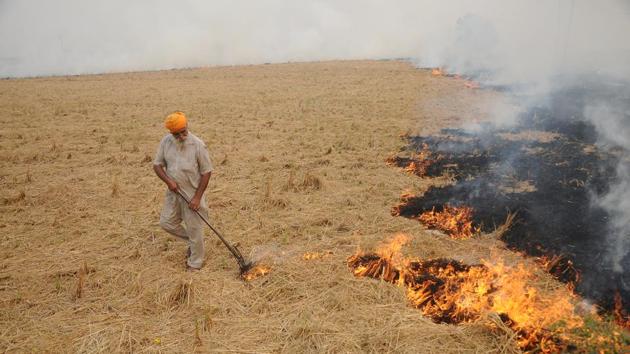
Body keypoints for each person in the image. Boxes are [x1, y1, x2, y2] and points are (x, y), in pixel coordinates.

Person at [153, 111, 213, 271]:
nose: (181, 136)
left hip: (192, 194)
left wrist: (197, 198)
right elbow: (157, 165)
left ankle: (195, 263)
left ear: (187, 127)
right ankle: (194, 243)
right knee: (166, 223)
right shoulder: (166, 142)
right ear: (171, 133)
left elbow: (207, 172)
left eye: (183, 132)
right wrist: (168, 181)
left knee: (195, 229)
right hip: (173, 194)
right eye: (177, 134)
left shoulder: (198, 145)